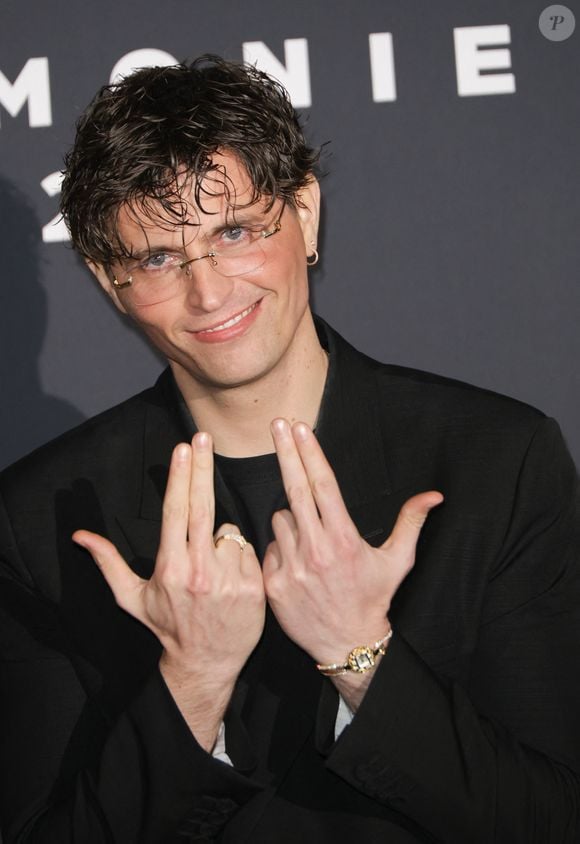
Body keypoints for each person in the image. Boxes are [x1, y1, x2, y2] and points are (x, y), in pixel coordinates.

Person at [0, 55, 579, 844]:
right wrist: (194, 679)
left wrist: (357, 652)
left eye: (235, 232)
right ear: (109, 281)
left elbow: (551, 818)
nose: (209, 293)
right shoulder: (45, 520)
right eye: (160, 259)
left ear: (304, 214)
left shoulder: (495, 461)